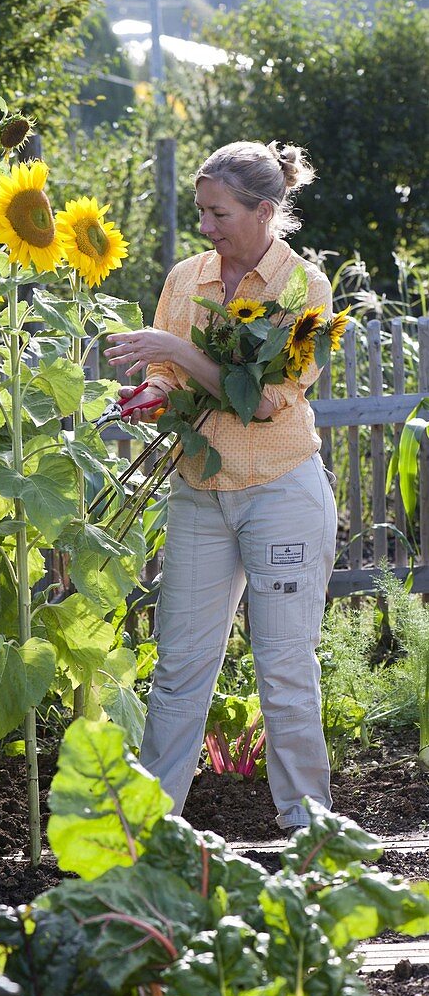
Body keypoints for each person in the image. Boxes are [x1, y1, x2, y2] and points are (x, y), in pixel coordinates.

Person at [104, 140, 338, 834]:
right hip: (200, 491)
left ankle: (309, 834)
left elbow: (267, 400)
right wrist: (149, 391)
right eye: (202, 211)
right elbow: (172, 378)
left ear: (266, 210)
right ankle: (147, 836)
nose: (206, 226)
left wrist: (176, 351)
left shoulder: (307, 291)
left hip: (280, 494)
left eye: (219, 213)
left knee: (286, 676)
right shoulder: (187, 278)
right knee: (178, 671)